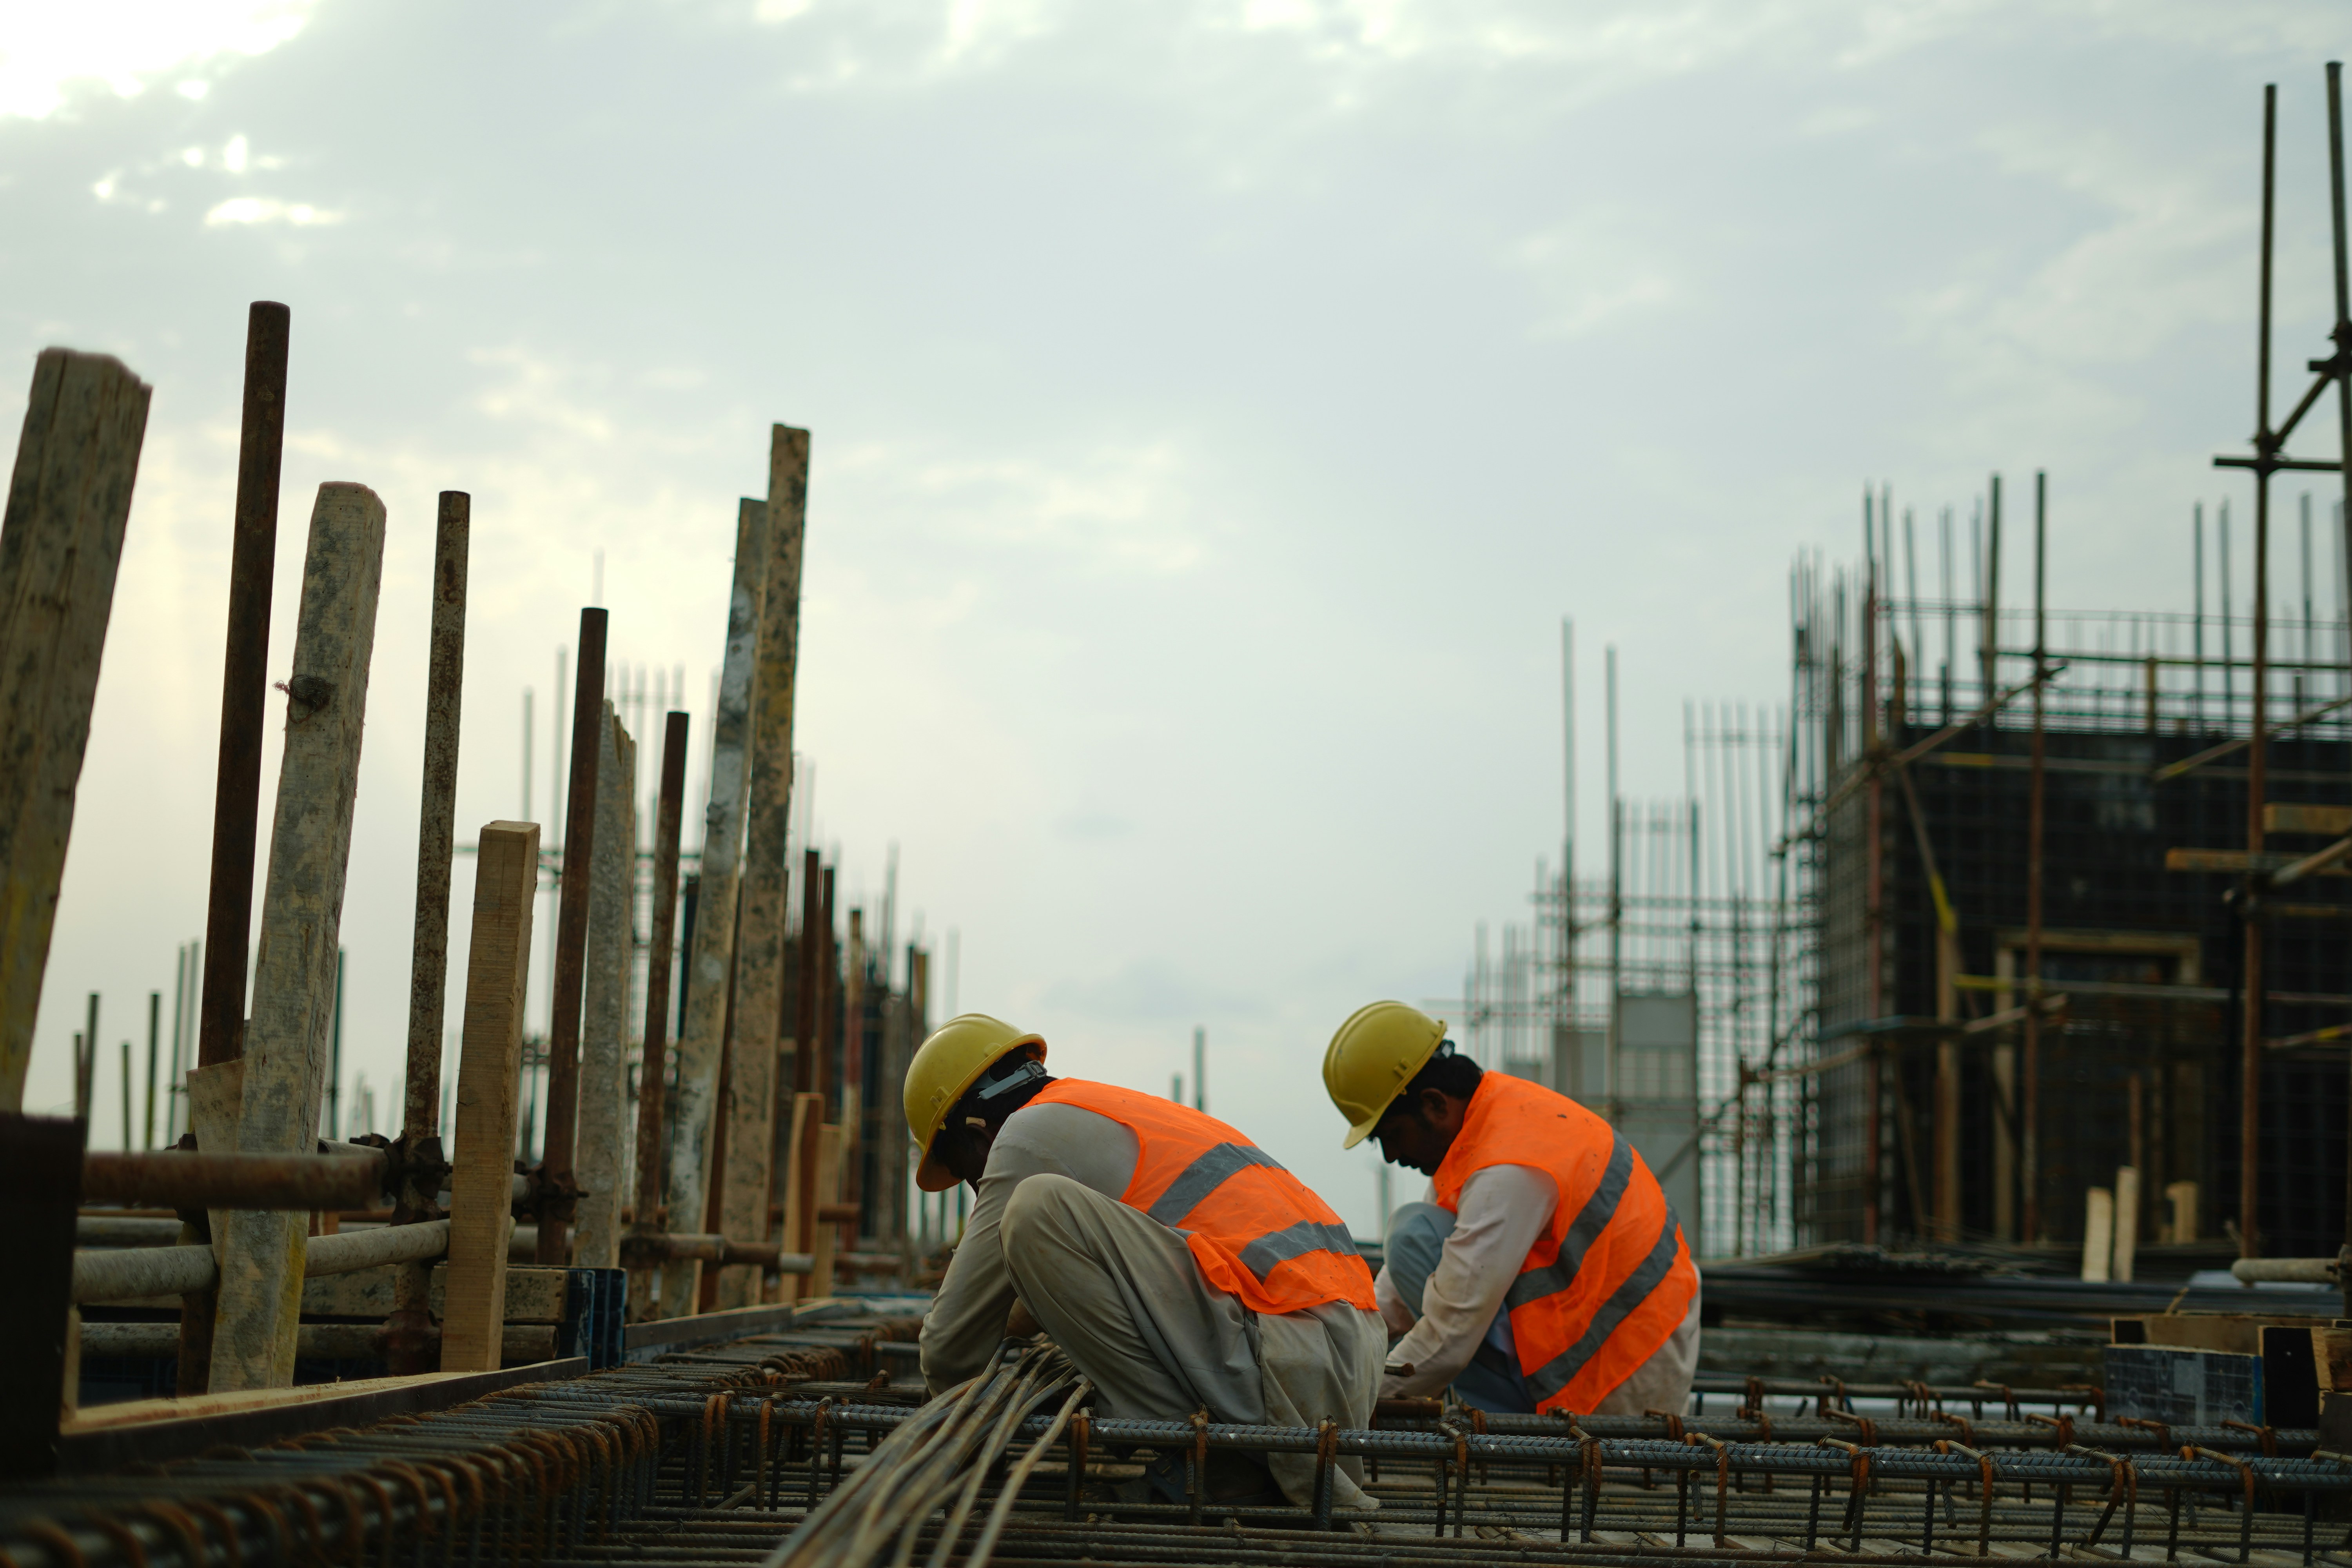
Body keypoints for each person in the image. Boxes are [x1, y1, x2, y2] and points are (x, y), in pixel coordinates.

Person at [907, 1012, 1387, 1511]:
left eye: (970, 1177)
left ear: (977, 1135)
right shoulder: (1106, 1110)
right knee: (1041, 1221)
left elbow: (948, 1350)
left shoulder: (1026, 1137)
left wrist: (948, 1443)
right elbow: (1108, 1276)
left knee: (1034, 1211)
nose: (979, 1193)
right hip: (1343, 1357)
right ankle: (1225, 1455)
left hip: (1292, 1363)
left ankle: (1221, 1462)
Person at [1321, 1000, 1700, 1416]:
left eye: (1392, 1134)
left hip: (1614, 1382)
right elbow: (1396, 1292)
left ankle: (1511, 1425)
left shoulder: (1509, 1165)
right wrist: (1340, 1345)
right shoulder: (1490, 1129)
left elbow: (1449, 1339)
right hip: (1600, 1359)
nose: (1391, 1156)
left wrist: (1352, 1403)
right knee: (1418, 1235)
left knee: (1413, 1235)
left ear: (1435, 1104)